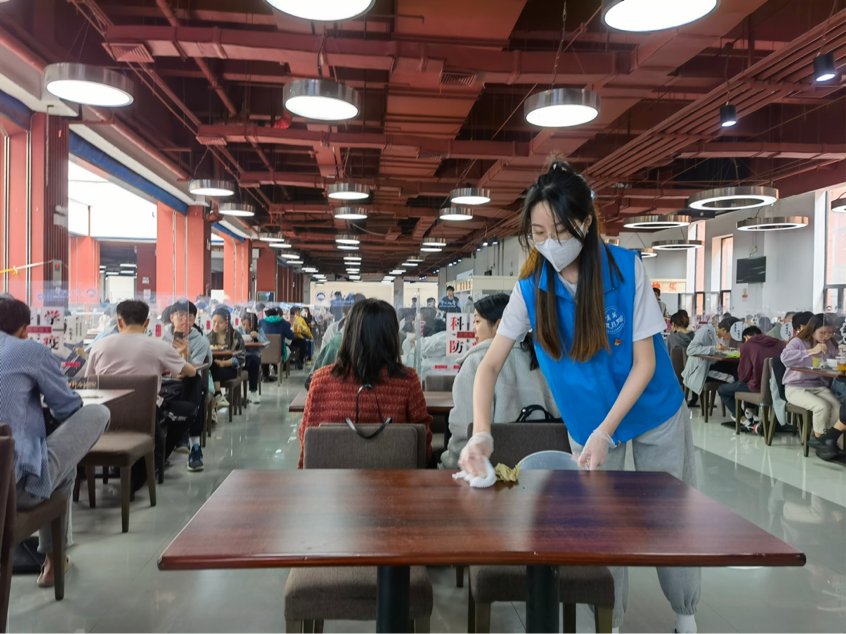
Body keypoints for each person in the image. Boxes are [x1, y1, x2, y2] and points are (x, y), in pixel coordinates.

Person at [458, 160, 698, 634]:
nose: (550, 243)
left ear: (586, 223)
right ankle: (612, 620)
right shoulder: (531, 288)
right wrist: (481, 434)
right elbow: (488, 365)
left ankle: (685, 612)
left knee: (668, 514)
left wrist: (609, 432)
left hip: (652, 409)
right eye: (538, 233)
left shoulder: (625, 270)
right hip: (586, 422)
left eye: (561, 231)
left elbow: (645, 364)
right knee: (604, 525)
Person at [0, 297, 110, 587]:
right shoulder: (30, 350)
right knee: (98, 414)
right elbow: (67, 408)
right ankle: (54, 562)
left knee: (56, 464)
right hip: (12, 491)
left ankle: (55, 562)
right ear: (25, 329)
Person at [299, 299, 433, 469]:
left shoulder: (320, 380)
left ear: (349, 334)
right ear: (392, 336)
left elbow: (307, 441)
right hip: (396, 481)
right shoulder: (407, 381)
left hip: (331, 482)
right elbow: (423, 444)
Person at [439, 293, 557, 469]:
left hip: (489, 471)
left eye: (477, 321)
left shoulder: (476, 363)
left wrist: (448, 465)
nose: (473, 329)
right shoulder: (544, 359)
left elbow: (464, 432)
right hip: (544, 470)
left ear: (500, 325)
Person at [86, 300, 202, 471]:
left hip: (107, 414)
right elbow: (191, 372)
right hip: (147, 414)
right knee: (189, 410)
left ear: (119, 322)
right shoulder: (158, 346)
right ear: (147, 323)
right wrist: (181, 354)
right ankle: (155, 462)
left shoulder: (99, 345)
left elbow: (89, 381)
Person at [781, 314, 840, 454]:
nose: (826, 336)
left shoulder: (830, 343)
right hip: (795, 387)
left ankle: (826, 439)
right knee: (822, 406)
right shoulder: (797, 341)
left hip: (818, 385)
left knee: (838, 408)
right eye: (822, 333)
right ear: (812, 329)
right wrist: (811, 351)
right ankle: (820, 442)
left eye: (830, 333)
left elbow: (837, 360)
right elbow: (785, 358)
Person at [162, 300, 212, 454]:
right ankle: (186, 439)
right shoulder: (160, 337)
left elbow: (191, 371)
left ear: (194, 319)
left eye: (189, 316)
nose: (185, 320)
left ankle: (190, 440)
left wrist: (185, 355)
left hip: (186, 382)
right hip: (163, 382)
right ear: (171, 317)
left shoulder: (201, 341)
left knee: (194, 382)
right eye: (180, 315)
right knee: (195, 386)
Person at [718, 326, 785, 427]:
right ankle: (749, 413)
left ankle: (743, 420)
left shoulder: (747, 346)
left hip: (758, 387)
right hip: (779, 387)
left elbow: (744, 376)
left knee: (723, 389)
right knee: (750, 382)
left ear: (746, 337)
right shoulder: (780, 343)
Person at [682, 316, 741, 407]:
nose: (734, 337)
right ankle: (737, 409)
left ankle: (741, 408)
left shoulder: (724, 338)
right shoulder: (705, 332)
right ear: (724, 330)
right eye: (733, 333)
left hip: (716, 365)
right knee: (734, 377)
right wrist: (715, 348)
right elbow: (690, 350)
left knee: (738, 369)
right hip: (703, 369)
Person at [207, 307, 246, 408]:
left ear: (227, 323)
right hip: (214, 366)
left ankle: (217, 399)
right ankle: (216, 399)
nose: (216, 325)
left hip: (231, 368)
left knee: (211, 372)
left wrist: (225, 363)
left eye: (220, 322)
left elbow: (242, 357)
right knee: (209, 370)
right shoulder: (209, 336)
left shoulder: (235, 336)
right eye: (214, 321)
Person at [259, 307, 296, 380]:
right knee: (287, 349)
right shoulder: (282, 322)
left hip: (263, 354)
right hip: (278, 354)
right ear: (277, 315)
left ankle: (265, 375)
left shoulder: (261, 322)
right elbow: (291, 336)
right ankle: (278, 368)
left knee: (265, 350)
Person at [238, 311, 266, 404]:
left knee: (253, 363)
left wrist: (257, 336)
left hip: (253, 355)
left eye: (249, 325)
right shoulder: (238, 330)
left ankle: (253, 392)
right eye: (243, 324)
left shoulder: (258, 330)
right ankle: (232, 394)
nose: (246, 327)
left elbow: (265, 343)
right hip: (240, 355)